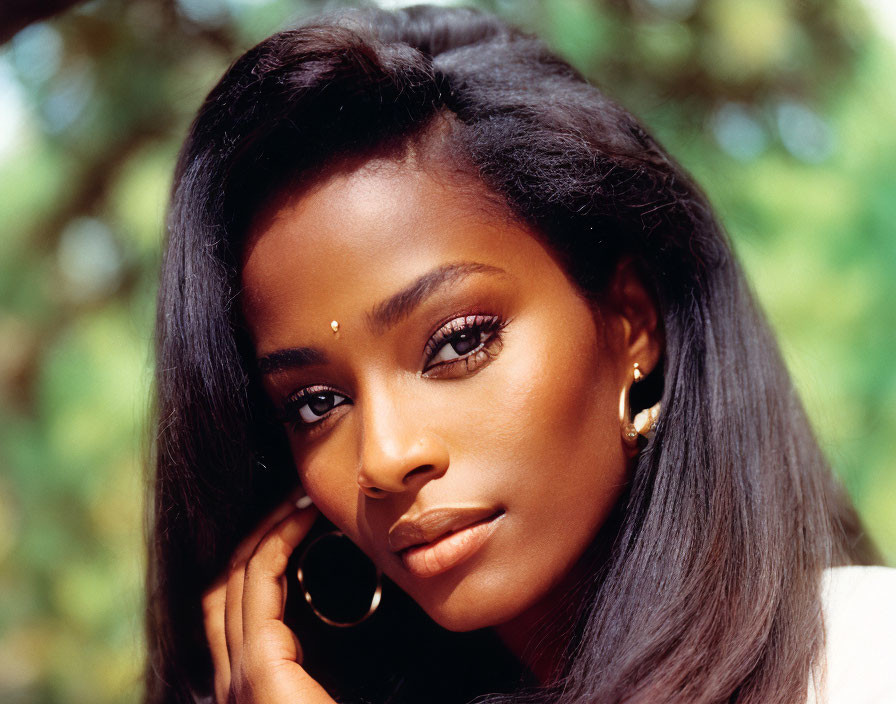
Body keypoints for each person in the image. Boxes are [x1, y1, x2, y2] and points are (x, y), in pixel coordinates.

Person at [144, 6, 895, 704]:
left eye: (459, 342)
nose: (384, 457)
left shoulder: (864, 660)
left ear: (632, 321)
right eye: (315, 403)